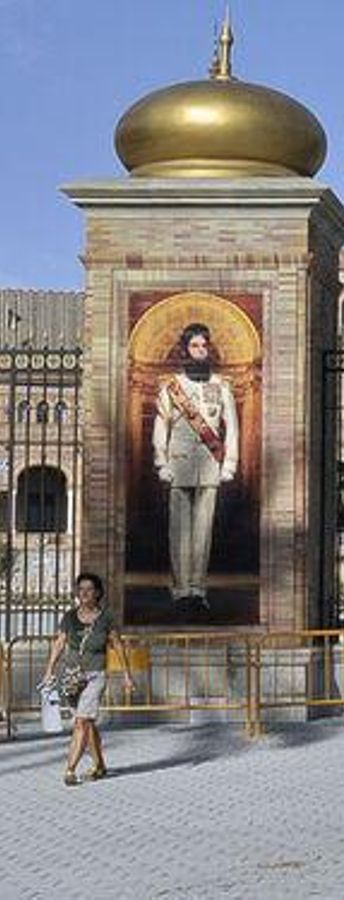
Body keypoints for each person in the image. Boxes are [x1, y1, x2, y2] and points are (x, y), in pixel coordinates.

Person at [152, 322, 239, 611]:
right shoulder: (172, 387)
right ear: (185, 350)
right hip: (178, 465)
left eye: (204, 345)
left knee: (203, 531)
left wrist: (229, 463)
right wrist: (161, 462)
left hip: (210, 465)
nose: (200, 350)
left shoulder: (221, 385)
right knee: (179, 532)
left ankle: (198, 589)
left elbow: (232, 428)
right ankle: (181, 590)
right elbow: (161, 426)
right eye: (194, 346)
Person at [42, 573, 136, 786]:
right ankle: (99, 765)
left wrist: (127, 675)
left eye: (89, 589)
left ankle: (70, 770)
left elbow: (117, 644)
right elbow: (59, 643)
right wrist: (49, 670)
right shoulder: (69, 617)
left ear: (98, 593)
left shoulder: (106, 618)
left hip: (95, 675)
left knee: (81, 721)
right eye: (80, 589)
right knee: (87, 723)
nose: (84, 593)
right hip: (72, 677)